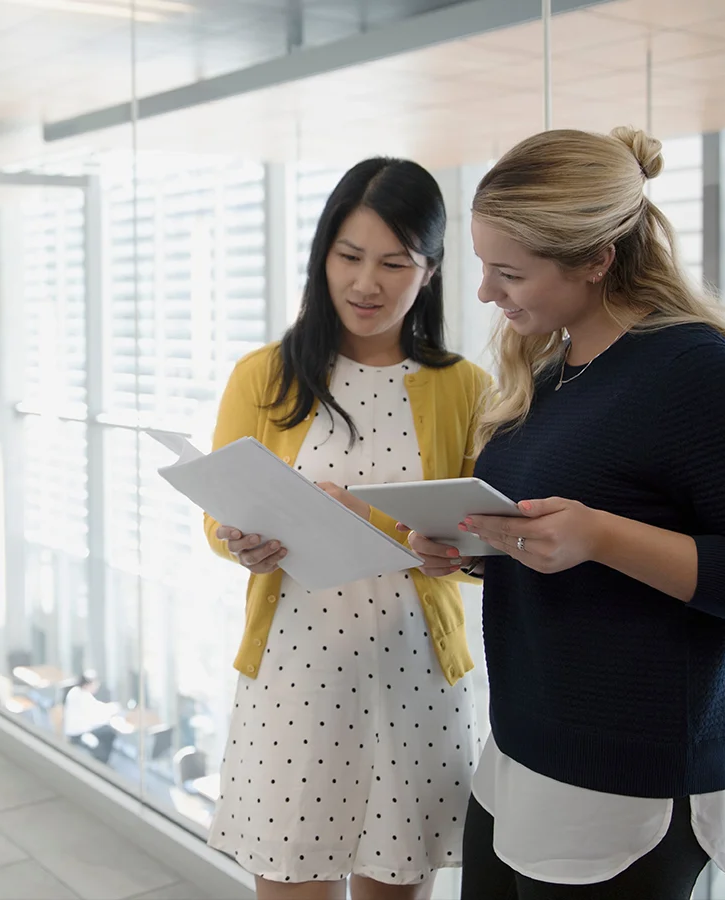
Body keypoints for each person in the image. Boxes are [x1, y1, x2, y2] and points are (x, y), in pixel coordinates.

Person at [402, 127, 725, 899]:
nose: (486, 294)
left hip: (623, 781)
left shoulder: (702, 379)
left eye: (509, 272)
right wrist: (473, 546)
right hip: (521, 749)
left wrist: (602, 536)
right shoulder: (554, 366)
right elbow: (562, 534)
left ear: (598, 260)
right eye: (484, 267)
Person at [203, 157, 490, 900]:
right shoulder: (264, 376)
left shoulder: (464, 387)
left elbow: (481, 543)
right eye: (349, 257)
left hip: (415, 683)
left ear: (428, 271)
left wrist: (372, 517)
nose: (367, 284)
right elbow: (219, 515)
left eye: (395, 263)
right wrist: (241, 539)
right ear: (321, 256)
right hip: (294, 681)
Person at [63, 671, 121, 764]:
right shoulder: (82, 697)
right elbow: (95, 716)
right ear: (87, 685)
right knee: (109, 733)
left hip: (76, 730)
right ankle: (102, 761)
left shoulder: (76, 692)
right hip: (79, 734)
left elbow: (96, 706)